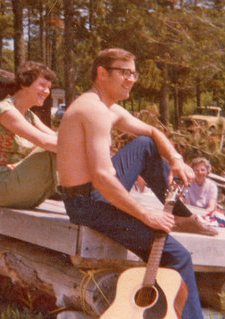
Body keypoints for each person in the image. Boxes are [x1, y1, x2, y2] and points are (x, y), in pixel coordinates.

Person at [57, 48, 208, 319]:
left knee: (145, 144)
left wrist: (175, 158)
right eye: (124, 72)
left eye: (133, 73)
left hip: (92, 194)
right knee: (179, 256)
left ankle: (180, 215)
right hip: (87, 204)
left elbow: (152, 131)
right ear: (102, 73)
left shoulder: (105, 107)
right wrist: (146, 215)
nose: (131, 79)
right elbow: (103, 178)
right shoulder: (93, 111)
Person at [0, 61, 58, 209]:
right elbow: (45, 142)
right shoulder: (5, 110)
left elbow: (56, 138)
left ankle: (85, 195)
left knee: (63, 145)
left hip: (22, 184)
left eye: (48, 87)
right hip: (3, 186)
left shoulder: (29, 115)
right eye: (42, 85)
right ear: (24, 83)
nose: (47, 91)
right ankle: (83, 199)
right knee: (51, 151)